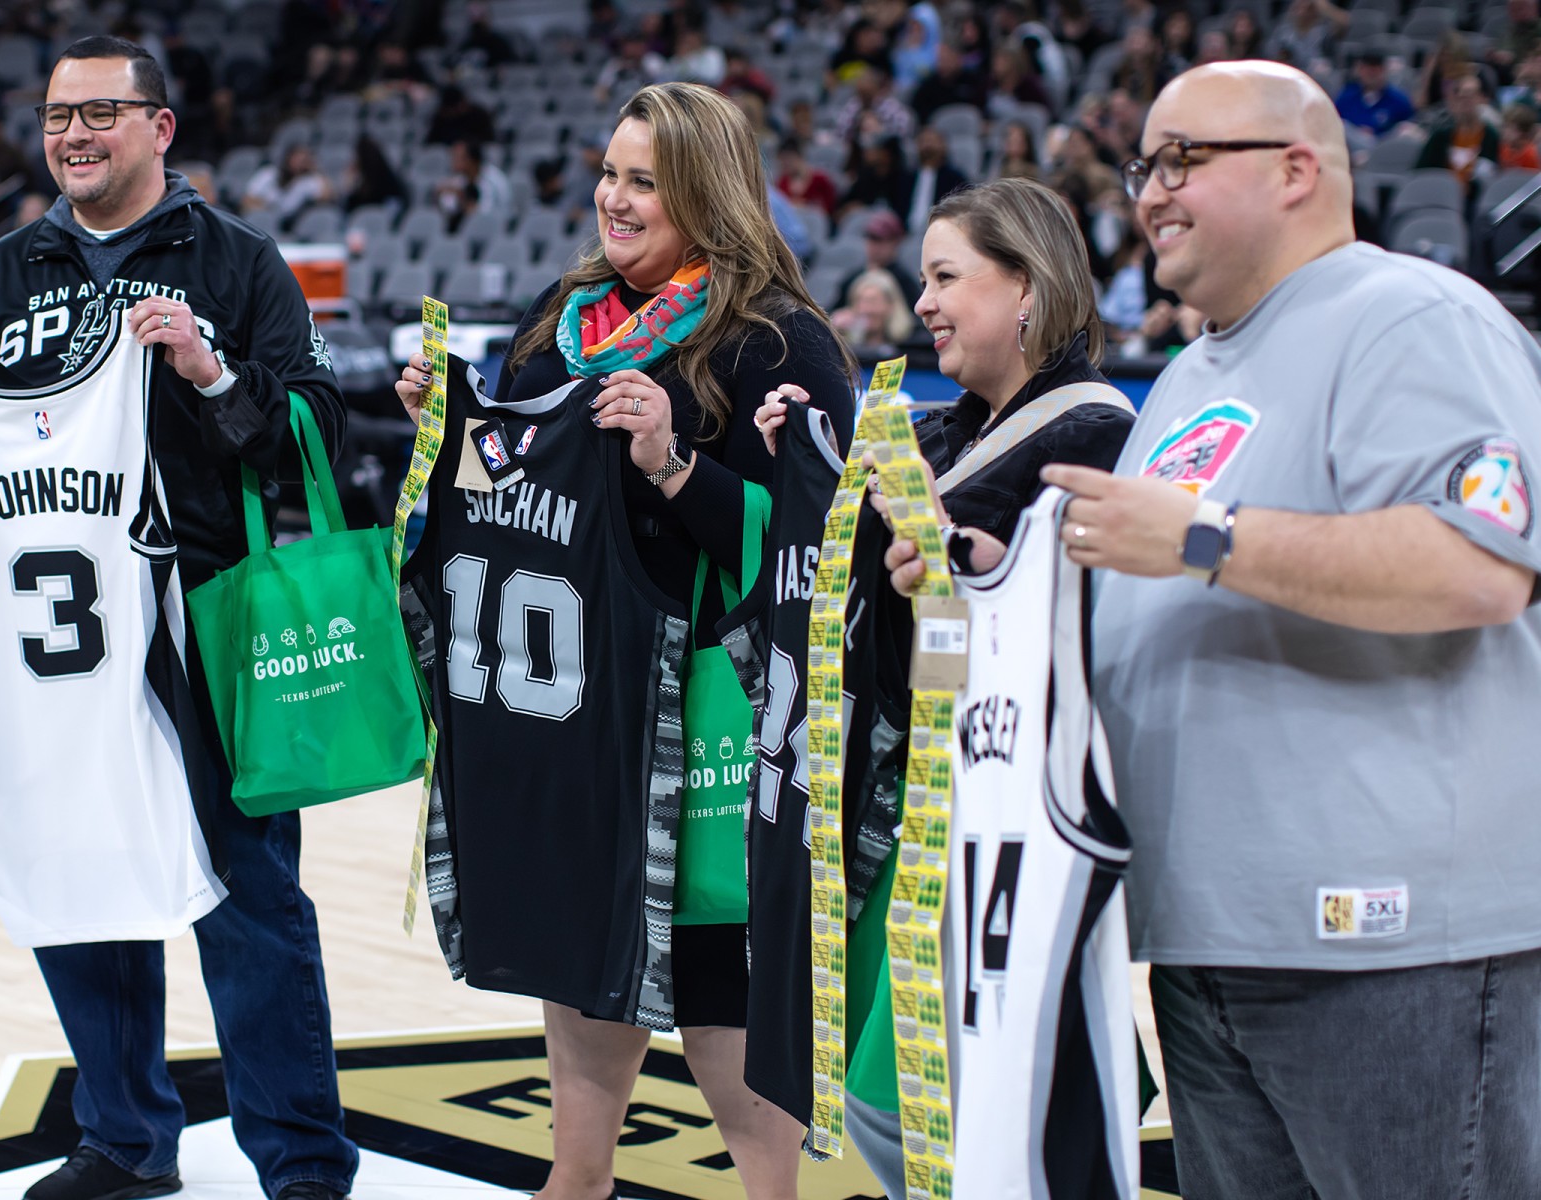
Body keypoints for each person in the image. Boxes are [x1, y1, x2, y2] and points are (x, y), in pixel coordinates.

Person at [0, 36, 359, 1200]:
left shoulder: (237, 261)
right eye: (57, 117)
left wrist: (208, 370)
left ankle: (300, 1162)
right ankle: (127, 1140)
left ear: (159, 127)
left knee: (249, 899)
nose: (74, 136)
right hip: (58, 639)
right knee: (79, 871)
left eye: (100, 112)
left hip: (209, 618)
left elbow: (318, 432)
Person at [1048, 60, 1541, 1199]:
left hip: (1392, 950)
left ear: (1296, 170)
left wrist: (1204, 535)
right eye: (1142, 166)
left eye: (1182, 159)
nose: (1150, 191)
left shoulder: (1411, 315)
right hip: (1210, 945)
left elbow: (1479, 567)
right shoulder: (1188, 376)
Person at [392, 81, 856, 1200]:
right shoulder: (561, 323)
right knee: (584, 946)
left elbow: (820, 541)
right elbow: (504, 494)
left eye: (645, 181)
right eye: (610, 173)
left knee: (714, 974)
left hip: (708, 710)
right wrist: (449, 436)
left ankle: (771, 1195)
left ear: (707, 194)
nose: (615, 197)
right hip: (567, 702)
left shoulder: (775, 340)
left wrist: (674, 465)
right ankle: (579, 1178)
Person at [757, 176, 1136, 1199]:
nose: (922, 302)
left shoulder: (1095, 435)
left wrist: (955, 557)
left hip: (1004, 819)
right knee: (896, 1105)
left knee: (926, 1104)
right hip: (905, 807)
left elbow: (1075, 628)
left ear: (1028, 288)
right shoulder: (938, 431)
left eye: (946, 277)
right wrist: (802, 459)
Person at [1417, 73, 1501, 196]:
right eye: (1461, 96)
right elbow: (1420, 172)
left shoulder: (1491, 137)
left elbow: (1494, 174)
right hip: (1440, 195)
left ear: (1482, 98)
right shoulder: (1440, 136)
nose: (1465, 101)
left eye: (1470, 96)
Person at [1333, 50, 1415, 139]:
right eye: (1367, 68)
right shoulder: (1346, 98)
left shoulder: (1399, 100)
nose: (1372, 73)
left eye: (1376, 69)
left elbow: (1408, 127)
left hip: (1385, 143)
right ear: (1360, 70)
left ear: (1384, 70)